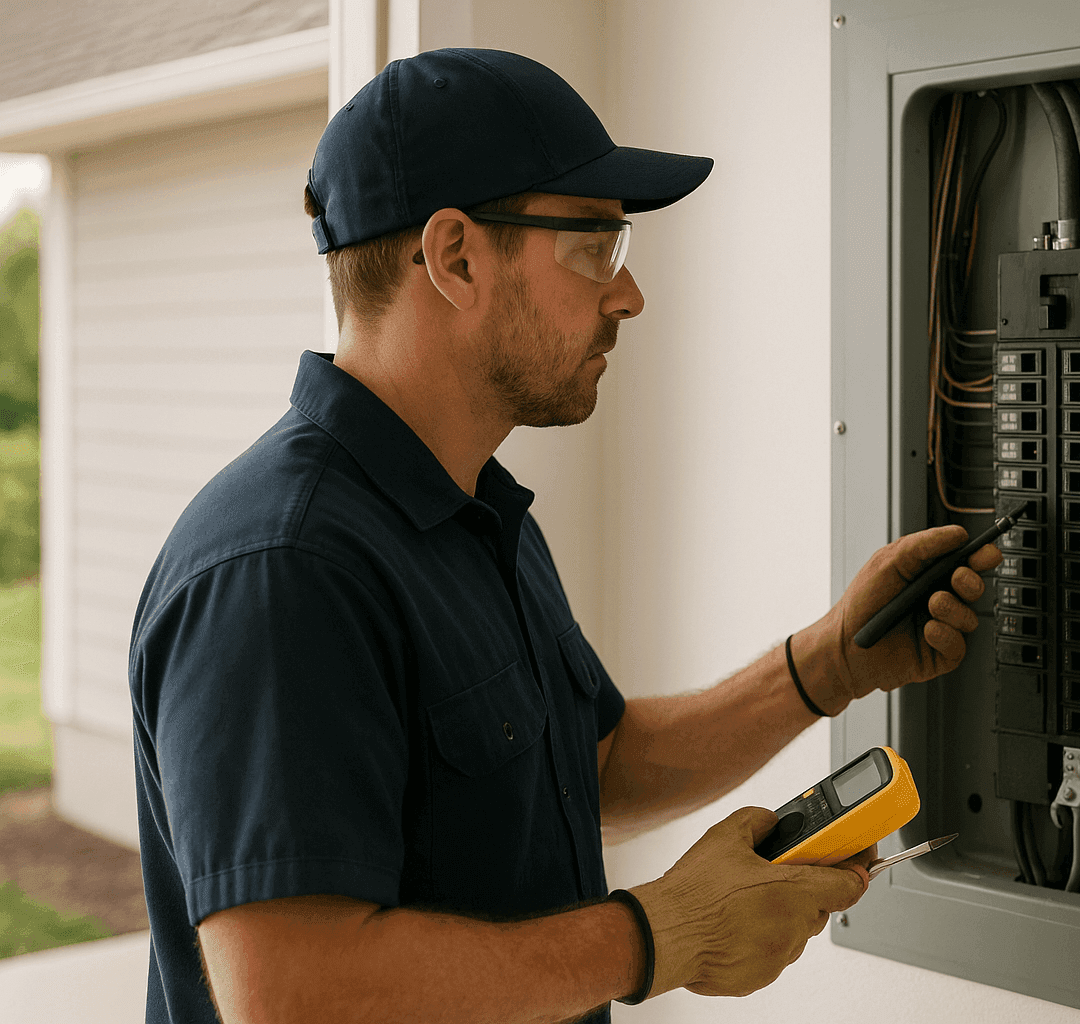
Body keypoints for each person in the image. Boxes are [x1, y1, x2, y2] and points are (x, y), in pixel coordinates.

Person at [130, 48, 1000, 1024]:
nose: (628, 296)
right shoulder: (284, 570)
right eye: (594, 246)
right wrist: (656, 934)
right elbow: (293, 993)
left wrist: (829, 664)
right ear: (455, 256)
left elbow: (590, 768)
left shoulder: (474, 511)